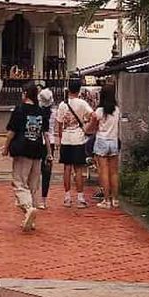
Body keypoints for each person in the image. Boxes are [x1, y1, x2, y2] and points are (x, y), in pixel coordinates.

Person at [3, 81, 48, 231]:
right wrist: (49, 152)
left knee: (19, 183)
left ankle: (29, 209)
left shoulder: (19, 110)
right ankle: (31, 217)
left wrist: (5, 147)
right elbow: (45, 134)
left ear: (25, 94)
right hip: (38, 150)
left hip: (23, 149)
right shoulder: (41, 111)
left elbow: (12, 132)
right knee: (33, 185)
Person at [56, 76, 93, 207]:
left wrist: (60, 139)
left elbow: (59, 124)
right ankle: (80, 198)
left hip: (66, 139)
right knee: (78, 169)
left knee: (67, 168)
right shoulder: (83, 104)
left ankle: (67, 197)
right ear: (79, 89)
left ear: (68, 89)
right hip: (79, 138)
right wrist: (86, 125)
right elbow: (92, 115)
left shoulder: (62, 105)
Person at [88, 83, 121, 209]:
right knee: (114, 172)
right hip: (113, 141)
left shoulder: (99, 111)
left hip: (102, 140)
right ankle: (115, 200)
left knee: (104, 172)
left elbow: (92, 127)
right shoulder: (117, 110)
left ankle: (106, 200)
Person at [37, 86, 56, 209]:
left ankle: (33, 196)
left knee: (34, 171)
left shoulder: (37, 112)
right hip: (51, 142)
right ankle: (43, 200)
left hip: (38, 142)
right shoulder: (54, 113)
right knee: (46, 172)